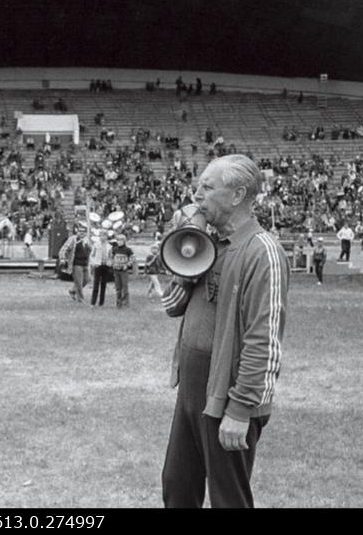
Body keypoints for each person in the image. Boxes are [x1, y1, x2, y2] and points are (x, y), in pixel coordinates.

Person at [161, 154, 290, 508]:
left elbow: (263, 341)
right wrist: (183, 262)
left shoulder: (262, 251)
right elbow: (172, 308)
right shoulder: (208, 243)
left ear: (236, 196)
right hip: (191, 389)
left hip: (229, 396)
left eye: (207, 186)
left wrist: (240, 410)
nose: (196, 194)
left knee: (228, 499)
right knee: (177, 488)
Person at [58, 225, 90, 303]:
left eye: (83, 232)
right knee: (79, 282)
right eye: (80, 232)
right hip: (76, 263)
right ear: (77, 232)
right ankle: (80, 299)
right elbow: (63, 250)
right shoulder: (73, 239)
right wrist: (62, 259)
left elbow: (90, 251)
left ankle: (72, 291)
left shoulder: (87, 240)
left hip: (85, 263)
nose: (82, 233)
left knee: (87, 279)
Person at [89, 230, 113, 307]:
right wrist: (94, 263)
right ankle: (93, 302)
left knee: (103, 284)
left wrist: (110, 263)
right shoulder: (96, 245)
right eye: (101, 236)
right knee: (96, 284)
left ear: (107, 237)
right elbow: (91, 255)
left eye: (104, 236)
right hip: (98, 265)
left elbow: (110, 256)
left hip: (105, 266)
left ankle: (101, 302)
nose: (103, 237)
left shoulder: (109, 246)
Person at [111, 234, 135, 308]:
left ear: (124, 241)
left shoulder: (128, 250)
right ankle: (118, 303)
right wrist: (113, 264)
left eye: (121, 240)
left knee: (125, 287)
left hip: (124, 271)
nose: (119, 242)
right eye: (118, 240)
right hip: (116, 270)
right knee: (118, 288)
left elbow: (132, 259)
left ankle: (125, 303)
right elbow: (111, 258)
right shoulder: (114, 249)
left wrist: (127, 265)